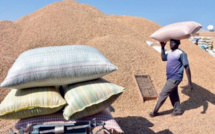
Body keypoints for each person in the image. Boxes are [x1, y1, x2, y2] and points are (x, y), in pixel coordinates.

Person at [149, 39, 193, 117]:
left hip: (176, 77)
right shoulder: (169, 52)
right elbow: (163, 58)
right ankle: (178, 110)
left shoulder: (181, 53)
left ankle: (154, 112)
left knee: (163, 93)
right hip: (170, 77)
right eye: (170, 42)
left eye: (173, 42)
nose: (171, 44)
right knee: (173, 94)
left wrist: (190, 82)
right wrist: (162, 47)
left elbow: (186, 67)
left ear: (178, 43)